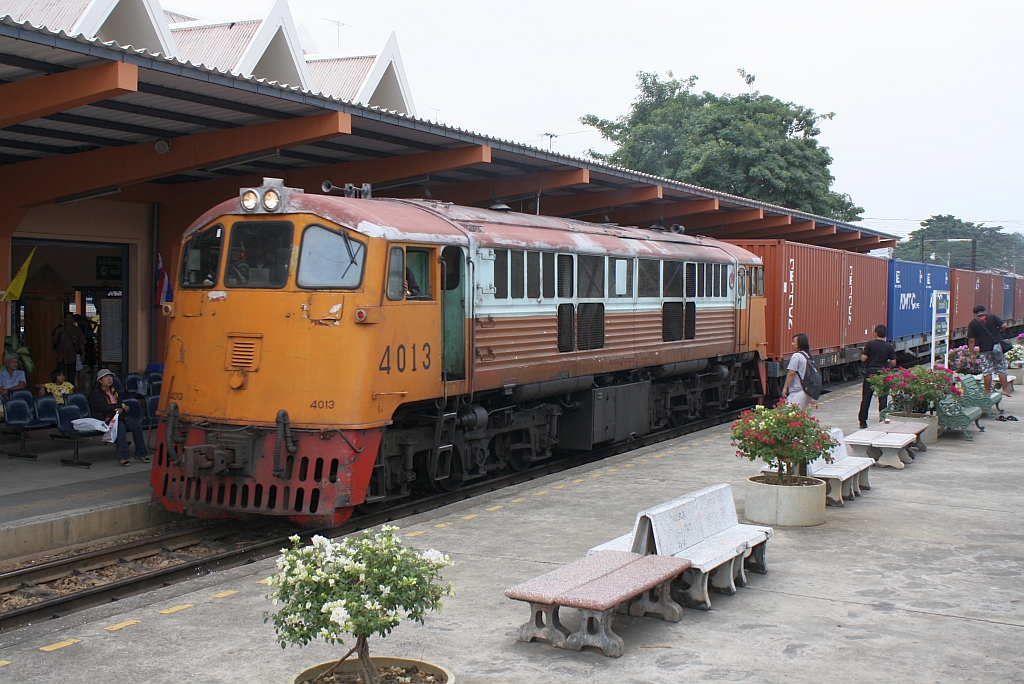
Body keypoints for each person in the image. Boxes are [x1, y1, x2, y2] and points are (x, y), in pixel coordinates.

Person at [89, 368, 150, 466]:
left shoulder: (114, 391)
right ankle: (122, 456)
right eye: (106, 377)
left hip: (119, 416)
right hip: (104, 418)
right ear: (100, 381)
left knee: (136, 425)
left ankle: (140, 453)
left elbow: (120, 402)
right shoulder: (96, 393)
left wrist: (122, 408)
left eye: (110, 377)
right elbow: (104, 408)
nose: (109, 379)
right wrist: (120, 406)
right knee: (120, 427)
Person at [858, 324, 897, 429]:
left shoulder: (870, 344)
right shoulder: (889, 346)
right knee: (883, 398)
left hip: (870, 372)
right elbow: (893, 362)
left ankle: (863, 421)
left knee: (866, 398)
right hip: (882, 373)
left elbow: (863, 359)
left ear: (876, 333)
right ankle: (882, 418)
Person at [967, 305, 1011, 398]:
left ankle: (987, 392)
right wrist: (998, 330)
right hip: (997, 347)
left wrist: (972, 353)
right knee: (1001, 368)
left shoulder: (973, 323)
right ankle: (1006, 390)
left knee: (987, 371)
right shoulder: (993, 316)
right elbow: (1004, 325)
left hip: (984, 348)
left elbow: (971, 340)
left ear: (974, 313)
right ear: (984, 310)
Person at [52, 312, 86, 386]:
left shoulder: (77, 330)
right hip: (61, 355)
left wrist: (83, 353)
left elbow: (81, 342)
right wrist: (56, 333)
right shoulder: (60, 330)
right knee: (60, 373)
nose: (70, 320)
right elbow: (54, 341)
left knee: (71, 374)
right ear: (64, 319)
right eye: (68, 318)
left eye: (71, 318)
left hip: (71, 355)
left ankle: (70, 389)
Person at [782, 333, 812, 408]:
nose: (792, 344)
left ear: (800, 344)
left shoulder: (796, 356)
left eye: (794, 342)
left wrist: (785, 388)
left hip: (797, 391)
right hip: (807, 390)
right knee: (801, 415)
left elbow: (791, 373)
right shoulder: (807, 355)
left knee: (789, 414)